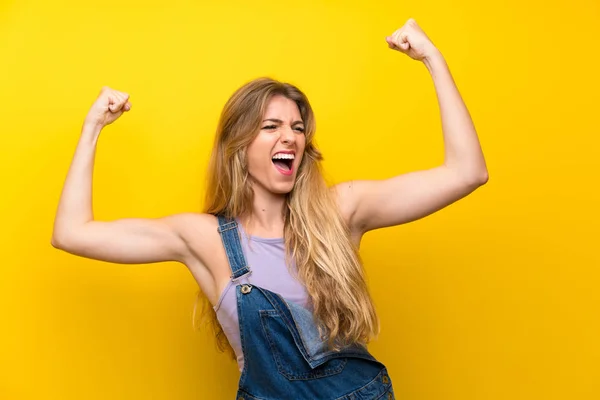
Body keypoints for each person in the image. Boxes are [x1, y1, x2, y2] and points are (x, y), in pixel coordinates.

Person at [51, 18, 487, 400]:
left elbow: (467, 172)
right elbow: (72, 232)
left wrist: (432, 58)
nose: (290, 137)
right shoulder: (205, 239)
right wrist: (93, 127)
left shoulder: (340, 211)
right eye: (271, 126)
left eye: (298, 128)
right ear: (238, 146)